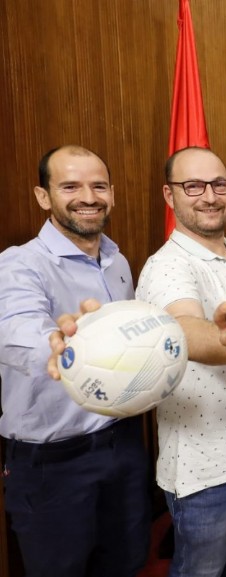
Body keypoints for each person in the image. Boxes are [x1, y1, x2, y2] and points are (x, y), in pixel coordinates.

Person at [0, 145, 151, 577]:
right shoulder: (18, 265)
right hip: (53, 463)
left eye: (98, 185)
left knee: (126, 563)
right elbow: (14, 328)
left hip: (122, 444)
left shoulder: (117, 262)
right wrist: (56, 341)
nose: (88, 196)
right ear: (43, 196)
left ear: (112, 194)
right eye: (70, 186)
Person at [134, 146, 226, 577]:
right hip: (204, 466)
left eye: (219, 184)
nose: (209, 196)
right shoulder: (166, 266)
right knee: (201, 571)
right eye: (192, 186)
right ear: (169, 195)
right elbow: (183, 326)